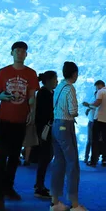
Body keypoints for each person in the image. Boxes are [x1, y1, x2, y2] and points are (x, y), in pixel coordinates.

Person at [0, 41, 39, 210]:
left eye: (23, 51)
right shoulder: (4, 72)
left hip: (21, 120)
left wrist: (32, 112)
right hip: (4, 119)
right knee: (1, 157)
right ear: (11, 53)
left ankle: (8, 188)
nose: (20, 53)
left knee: (14, 158)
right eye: (17, 51)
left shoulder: (32, 74)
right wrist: (2, 97)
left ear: (26, 54)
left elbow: (32, 96)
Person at [50, 62, 88, 211]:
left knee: (59, 163)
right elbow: (73, 111)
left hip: (55, 125)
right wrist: (76, 109)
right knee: (72, 164)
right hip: (66, 126)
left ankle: (55, 202)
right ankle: (74, 204)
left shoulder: (59, 86)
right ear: (74, 74)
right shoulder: (70, 88)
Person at [34, 70, 58, 199]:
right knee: (45, 156)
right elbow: (43, 113)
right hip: (45, 129)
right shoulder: (43, 93)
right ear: (48, 81)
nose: (57, 81)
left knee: (48, 155)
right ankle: (39, 186)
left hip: (49, 128)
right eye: (55, 79)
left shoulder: (49, 93)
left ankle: (39, 184)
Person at [85, 80, 106, 168]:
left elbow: (97, 104)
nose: (96, 90)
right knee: (105, 141)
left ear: (99, 85)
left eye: (96, 87)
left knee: (95, 141)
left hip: (99, 119)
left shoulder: (101, 91)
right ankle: (104, 160)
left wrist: (88, 105)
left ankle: (93, 161)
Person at [82, 88, 97, 164]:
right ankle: (86, 157)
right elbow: (91, 108)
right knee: (89, 141)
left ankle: (93, 158)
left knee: (93, 141)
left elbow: (97, 108)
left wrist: (88, 106)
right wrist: (88, 108)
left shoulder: (100, 102)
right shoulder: (93, 101)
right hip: (91, 122)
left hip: (97, 123)